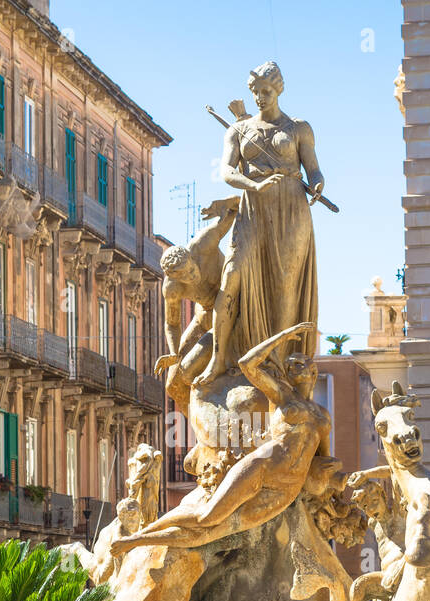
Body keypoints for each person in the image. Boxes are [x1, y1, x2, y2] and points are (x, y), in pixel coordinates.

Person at [111, 322, 328, 555]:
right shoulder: (282, 395)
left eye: (298, 364)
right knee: (206, 516)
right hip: (261, 466)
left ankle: (136, 540)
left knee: (212, 531)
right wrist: (281, 336)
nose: (292, 368)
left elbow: (322, 457)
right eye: (289, 365)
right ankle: (137, 538)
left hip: (287, 488)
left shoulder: (322, 416)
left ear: (313, 371)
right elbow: (247, 364)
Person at [197, 61, 324, 386]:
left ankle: (277, 367)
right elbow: (226, 171)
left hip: (292, 210)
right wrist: (252, 185)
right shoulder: (237, 130)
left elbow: (313, 169)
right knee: (233, 276)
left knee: (286, 285)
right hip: (253, 208)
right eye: (256, 92)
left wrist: (319, 183)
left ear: (278, 89)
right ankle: (218, 360)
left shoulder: (298, 128)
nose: (260, 98)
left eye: (266, 91)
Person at [156, 196, 241, 410]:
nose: (192, 276)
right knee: (173, 385)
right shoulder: (172, 288)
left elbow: (234, 212)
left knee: (186, 371)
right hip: (204, 319)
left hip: (231, 311)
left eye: (192, 269)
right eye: (185, 276)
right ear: (174, 277)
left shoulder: (203, 243)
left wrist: (226, 203)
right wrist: (174, 352)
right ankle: (202, 438)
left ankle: (215, 420)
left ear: (192, 257)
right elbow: (172, 323)